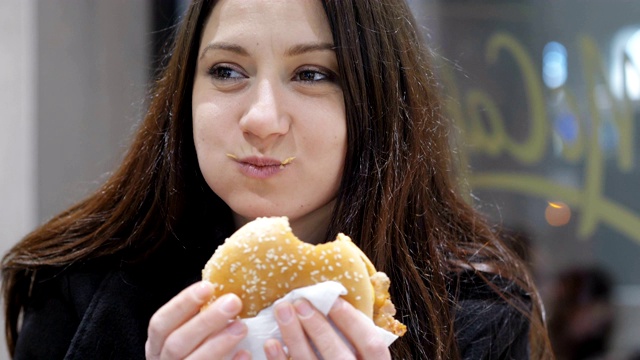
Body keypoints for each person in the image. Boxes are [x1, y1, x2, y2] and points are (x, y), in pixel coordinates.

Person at [2, 0, 554, 359]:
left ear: (380, 102)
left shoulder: (475, 318)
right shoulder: (76, 287)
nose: (261, 118)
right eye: (227, 71)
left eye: (312, 74)